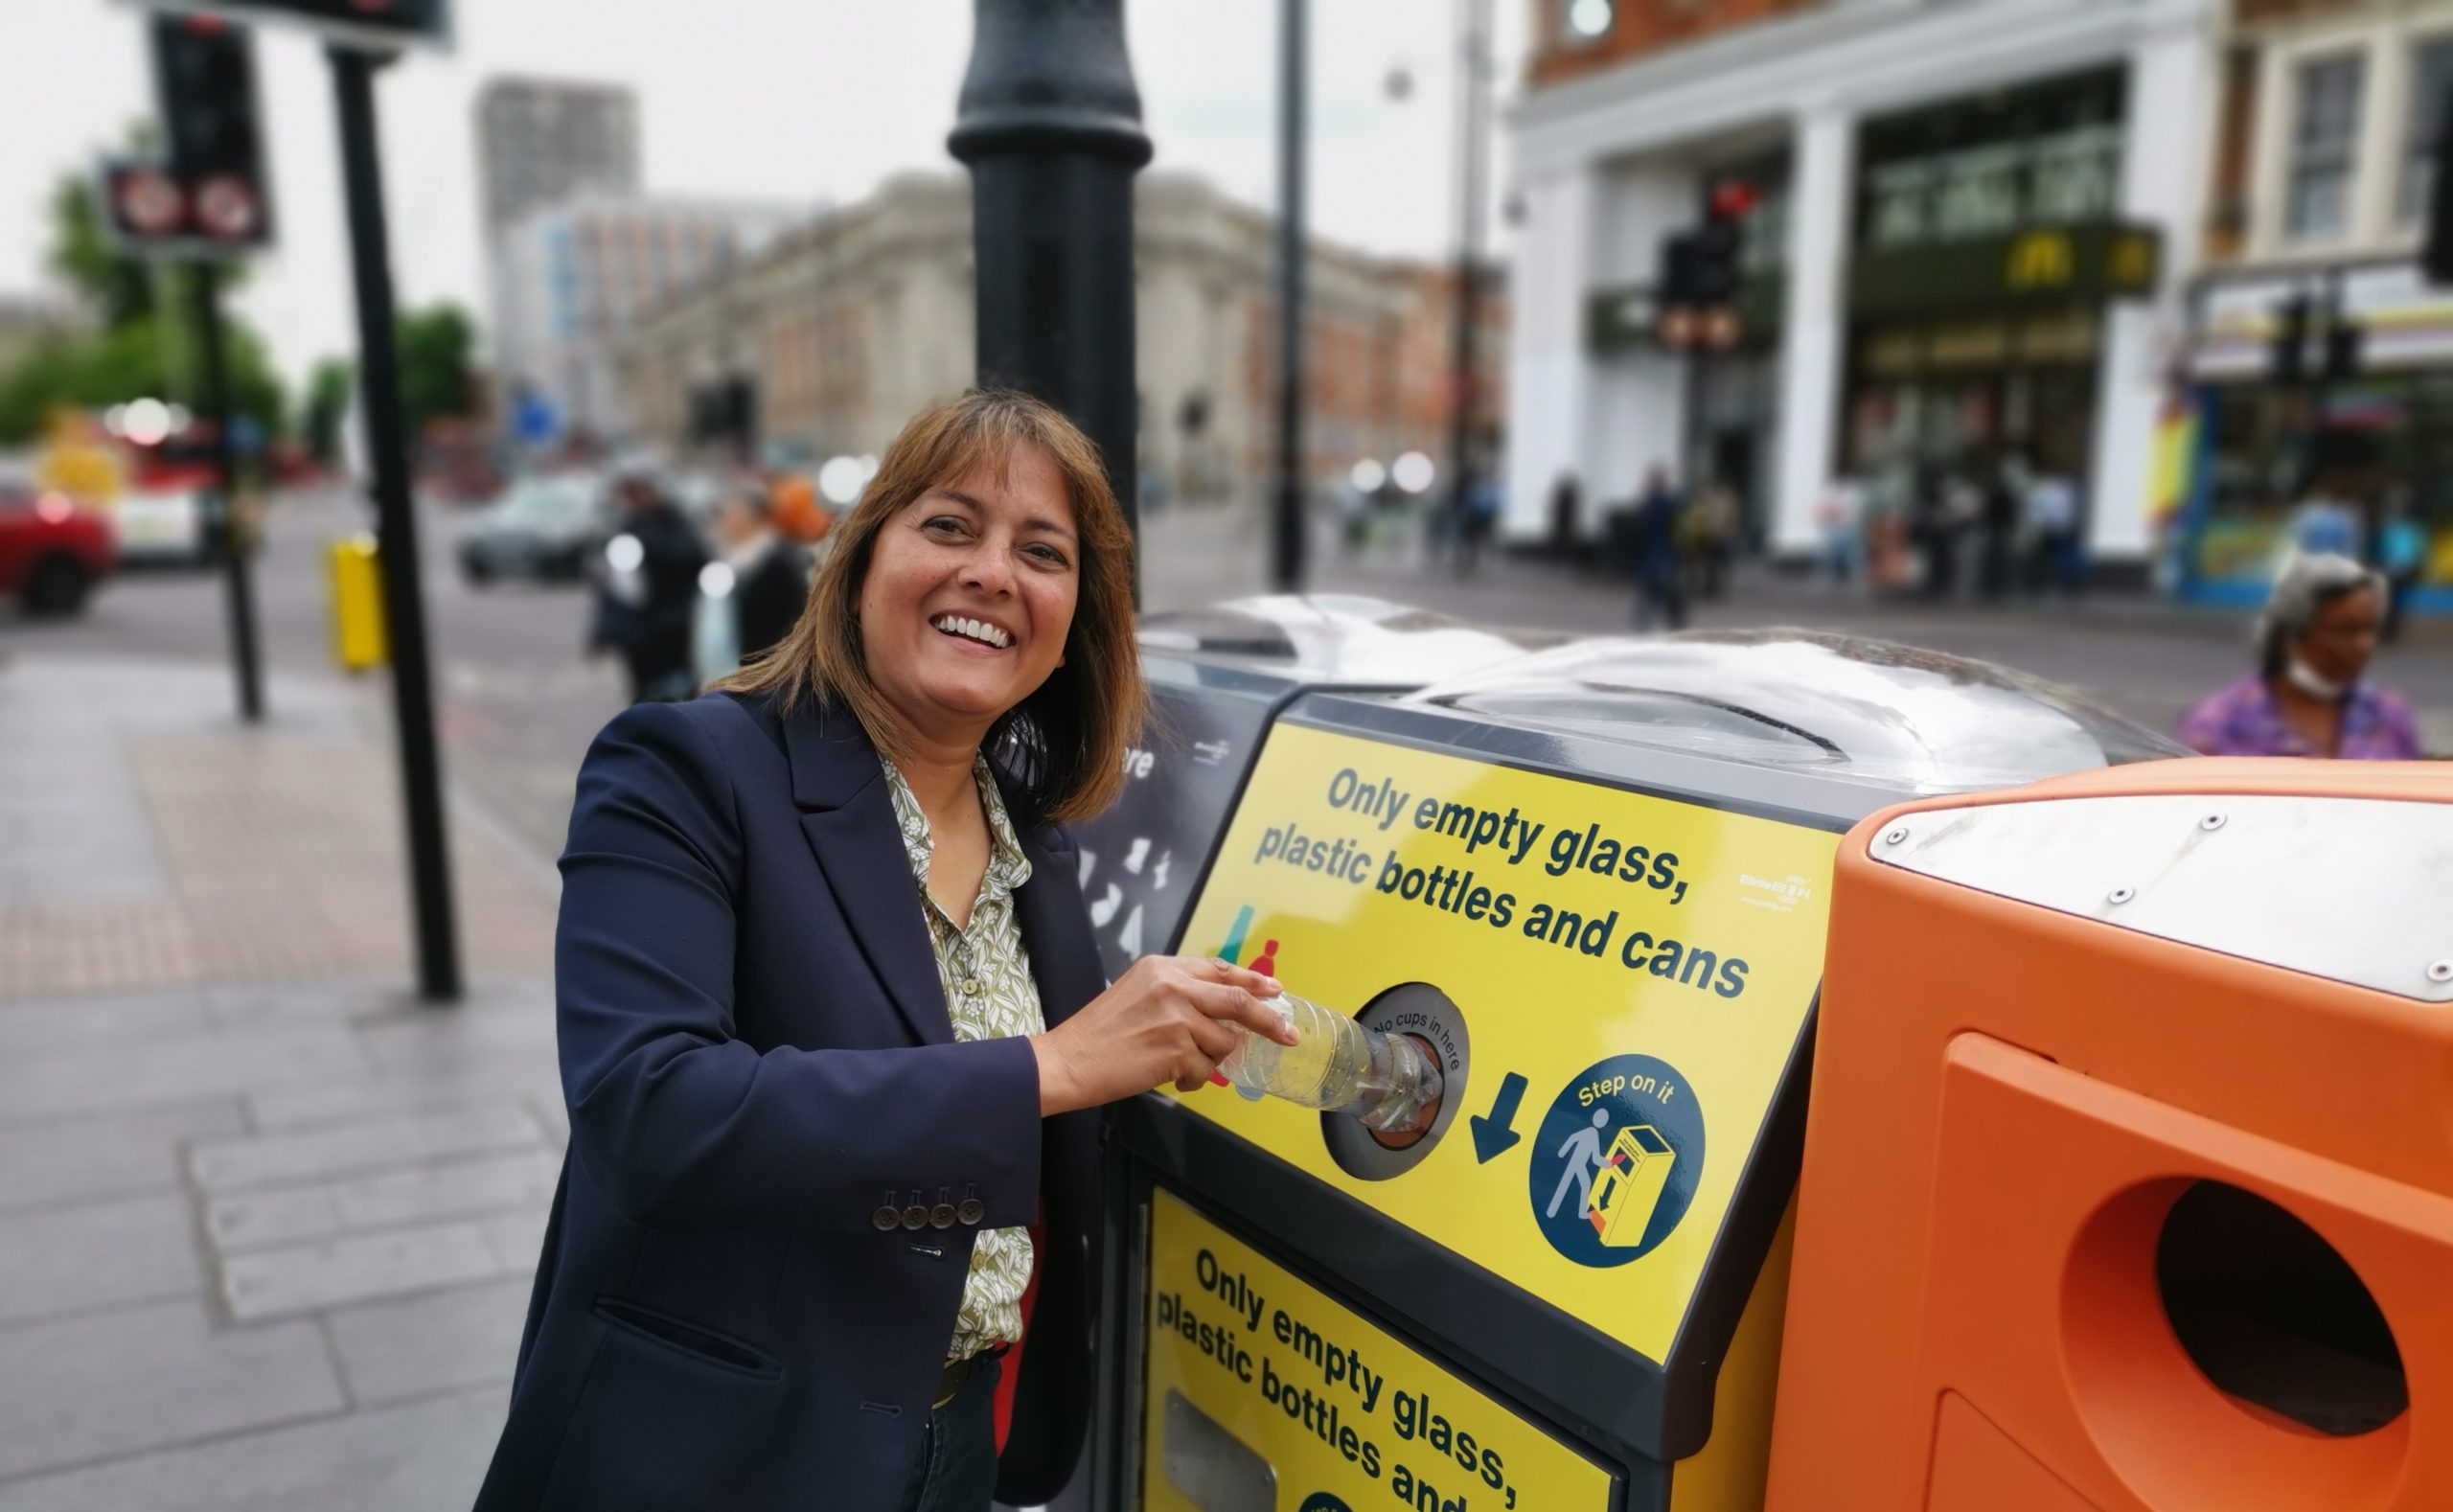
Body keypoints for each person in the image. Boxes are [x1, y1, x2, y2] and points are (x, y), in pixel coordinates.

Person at [475, 391, 1296, 1512]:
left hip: (957, 1440)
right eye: (949, 526)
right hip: (720, 1447)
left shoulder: (1034, 845)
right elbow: (651, 1110)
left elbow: (1042, 1116)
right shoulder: (687, 769)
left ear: (1072, 627)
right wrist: (1051, 1067)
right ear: (860, 564)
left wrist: (1170, 1046)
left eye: (1041, 552)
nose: (993, 573)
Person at [2176, 551, 2422, 760]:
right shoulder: (2220, 723)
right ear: (2290, 636)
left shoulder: (2388, 716)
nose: (2364, 644)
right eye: (2345, 630)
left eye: (2369, 629)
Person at [589, 466, 708, 703]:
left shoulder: (673, 524)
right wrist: (603, 631)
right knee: (643, 693)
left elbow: (691, 558)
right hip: (638, 631)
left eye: (639, 492)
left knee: (675, 691)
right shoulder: (627, 526)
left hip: (672, 626)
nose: (635, 500)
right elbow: (614, 585)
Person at [1628, 464, 1687, 631]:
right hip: (1662, 555)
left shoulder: (1648, 504)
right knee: (1659, 592)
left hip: (1650, 556)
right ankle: (1661, 624)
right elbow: (1674, 533)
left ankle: (1643, 624)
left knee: (1649, 592)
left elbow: (1640, 532)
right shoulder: (1668, 504)